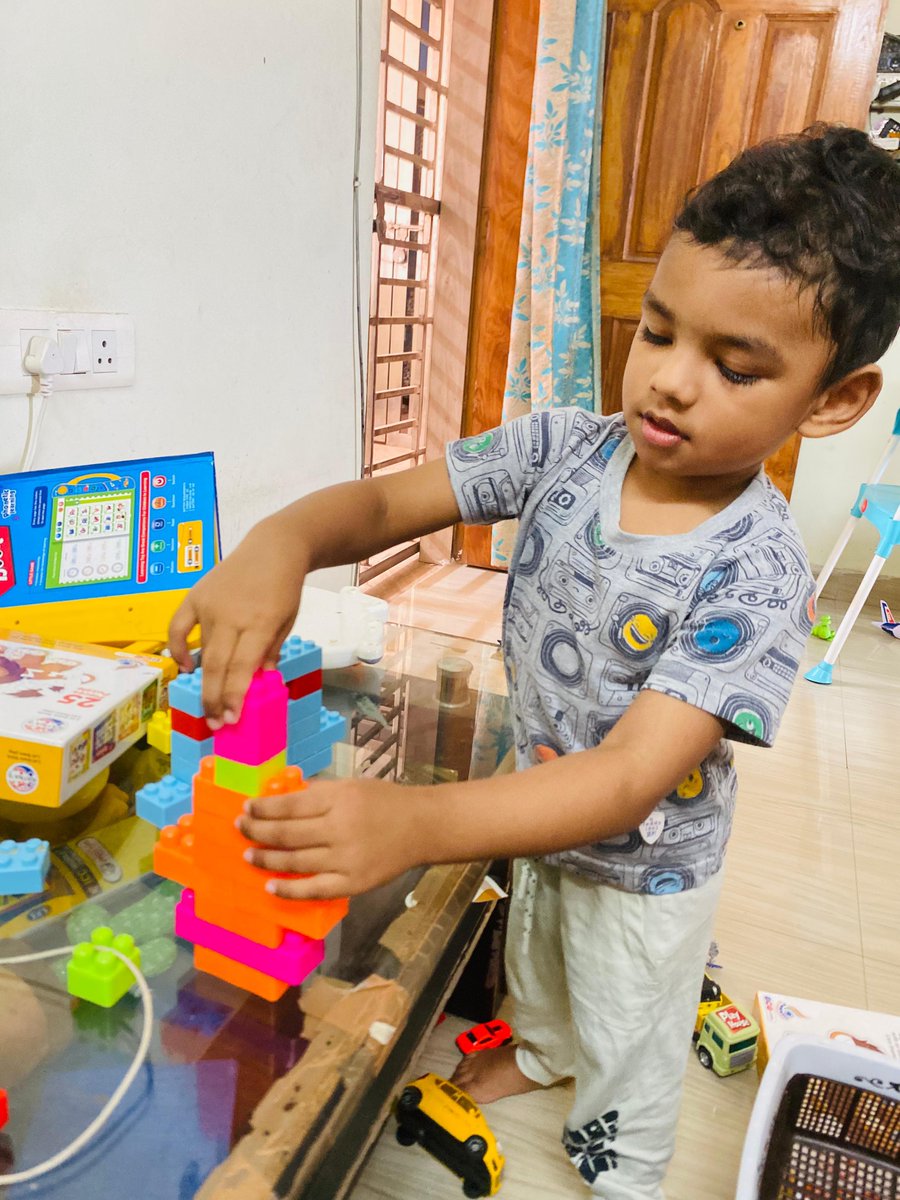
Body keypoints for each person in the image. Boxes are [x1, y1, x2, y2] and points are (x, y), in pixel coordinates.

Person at [168, 125, 899, 1196]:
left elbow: (628, 780)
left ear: (832, 400)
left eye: (736, 367)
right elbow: (381, 503)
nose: (671, 384)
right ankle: (541, 1048)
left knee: (626, 1021)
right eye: (656, 333)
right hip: (532, 798)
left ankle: (621, 1160)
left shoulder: (758, 565)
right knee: (541, 965)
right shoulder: (566, 447)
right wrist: (279, 540)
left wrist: (414, 827)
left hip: (645, 866)